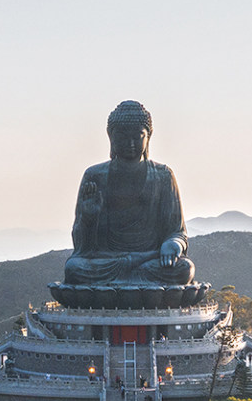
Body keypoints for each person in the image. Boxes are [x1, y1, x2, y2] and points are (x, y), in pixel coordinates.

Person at [62, 101, 194, 288]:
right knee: (74, 269)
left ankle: (124, 283)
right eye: (123, 137)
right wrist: (88, 218)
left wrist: (173, 244)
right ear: (111, 137)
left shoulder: (163, 175)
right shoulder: (94, 175)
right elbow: (82, 246)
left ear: (148, 136)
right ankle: (132, 282)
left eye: (137, 137)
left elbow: (177, 231)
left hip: (148, 260)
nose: (130, 143)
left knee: (185, 269)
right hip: (108, 261)